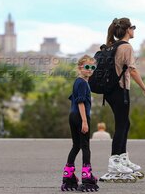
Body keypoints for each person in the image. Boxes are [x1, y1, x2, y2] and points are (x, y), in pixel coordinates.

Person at [99, 18, 145, 183]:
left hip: (110, 91)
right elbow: (133, 71)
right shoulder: (126, 47)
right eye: (133, 27)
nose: (134, 30)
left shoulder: (112, 45)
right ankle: (114, 163)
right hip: (120, 90)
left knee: (125, 123)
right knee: (122, 125)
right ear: (127, 30)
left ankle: (122, 159)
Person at [61, 55, 99, 192]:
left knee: (76, 145)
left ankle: (68, 173)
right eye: (87, 67)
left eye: (93, 67)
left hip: (72, 116)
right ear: (80, 67)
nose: (90, 70)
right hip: (80, 116)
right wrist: (84, 121)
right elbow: (81, 102)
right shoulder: (83, 83)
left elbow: (73, 98)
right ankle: (87, 176)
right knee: (85, 146)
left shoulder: (77, 82)